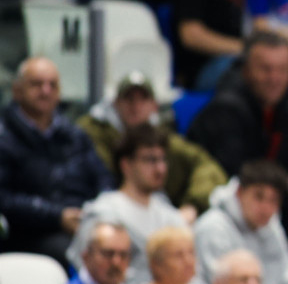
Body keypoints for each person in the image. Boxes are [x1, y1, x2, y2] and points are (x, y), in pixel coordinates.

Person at [187, 31, 288, 284]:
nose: (274, 78)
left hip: (271, 204)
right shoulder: (225, 109)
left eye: (282, 70)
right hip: (223, 207)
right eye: (265, 69)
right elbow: (233, 174)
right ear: (246, 69)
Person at [0, 57, 112, 266]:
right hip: (31, 233)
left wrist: (98, 210)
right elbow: (4, 198)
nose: (46, 91)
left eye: (53, 85)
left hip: (85, 223)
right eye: (37, 84)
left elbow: (103, 178)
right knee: (78, 253)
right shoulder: (4, 137)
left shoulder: (75, 134)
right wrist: (57, 216)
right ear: (17, 91)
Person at [78, 71, 227, 221]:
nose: (136, 106)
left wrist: (192, 206)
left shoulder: (166, 140)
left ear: (154, 106)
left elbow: (208, 167)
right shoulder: (92, 134)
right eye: (129, 99)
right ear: (126, 164)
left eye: (143, 99)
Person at [67, 124, 187, 284]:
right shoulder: (103, 211)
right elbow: (88, 273)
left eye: (163, 160)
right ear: (126, 165)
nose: (160, 169)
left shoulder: (170, 214)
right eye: (150, 160)